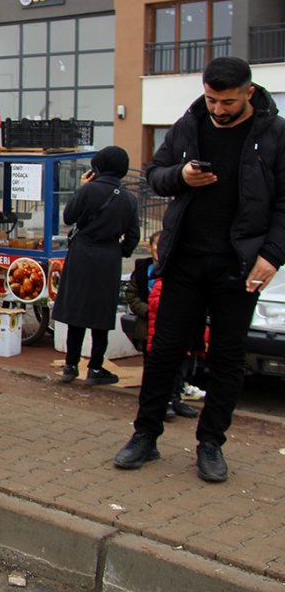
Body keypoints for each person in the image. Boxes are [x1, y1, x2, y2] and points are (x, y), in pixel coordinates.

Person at [114, 57, 285, 482]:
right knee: (164, 350)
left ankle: (211, 444)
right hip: (185, 259)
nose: (219, 109)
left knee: (227, 358)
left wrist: (272, 255)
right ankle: (145, 435)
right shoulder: (189, 124)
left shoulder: (275, 134)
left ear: (249, 92)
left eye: (227, 101)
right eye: (212, 99)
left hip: (239, 265)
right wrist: (182, 176)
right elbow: (154, 175)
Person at [53, 146, 140, 385]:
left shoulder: (88, 190)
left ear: (97, 167)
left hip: (81, 253)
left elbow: (69, 217)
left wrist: (81, 189)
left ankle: (70, 366)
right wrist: (120, 251)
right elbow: (133, 236)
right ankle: (96, 367)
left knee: (77, 310)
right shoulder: (129, 199)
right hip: (108, 257)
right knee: (102, 313)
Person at [125, 231, 202, 420]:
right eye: (157, 245)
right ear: (150, 247)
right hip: (149, 326)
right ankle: (161, 403)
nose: (160, 250)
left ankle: (176, 399)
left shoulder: (180, 270)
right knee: (156, 367)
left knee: (180, 367)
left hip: (176, 326)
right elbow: (132, 296)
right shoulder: (143, 271)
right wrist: (148, 311)